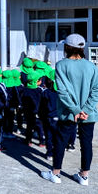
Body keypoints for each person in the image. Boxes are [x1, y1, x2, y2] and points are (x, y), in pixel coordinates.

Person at [42, 34, 98, 186]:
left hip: (68, 112)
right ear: (82, 48)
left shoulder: (61, 65)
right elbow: (96, 90)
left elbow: (62, 91)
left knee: (60, 141)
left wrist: (75, 110)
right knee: (86, 143)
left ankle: (55, 173)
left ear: (66, 47)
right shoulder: (92, 66)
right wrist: (84, 109)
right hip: (88, 113)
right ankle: (84, 176)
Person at [22, 71, 45, 147]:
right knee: (40, 127)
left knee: (29, 126)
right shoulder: (40, 90)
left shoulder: (24, 90)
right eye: (40, 80)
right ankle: (41, 141)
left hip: (27, 112)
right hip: (38, 112)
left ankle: (28, 140)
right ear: (37, 81)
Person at [39, 76, 59, 161]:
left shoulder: (45, 92)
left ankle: (49, 153)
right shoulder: (62, 93)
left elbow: (41, 107)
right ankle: (56, 153)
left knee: (48, 136)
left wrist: (41, 116)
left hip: (47, 117)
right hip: (58, 117)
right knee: (57, 137)